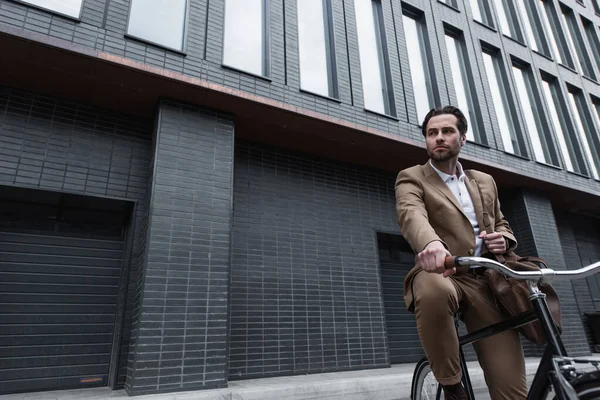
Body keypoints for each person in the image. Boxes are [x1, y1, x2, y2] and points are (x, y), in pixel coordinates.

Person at [395, 106, 527, 400]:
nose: (438, 138)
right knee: (432, 288)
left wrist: (503, 239)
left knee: (513, 392)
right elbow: (411, 214)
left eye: (447, 131)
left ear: (462, 137)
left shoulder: (483, 181)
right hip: (442, 272)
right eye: (432, 133)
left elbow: (502, 222)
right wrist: (431, 244)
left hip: (488, 282)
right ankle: (452, 387)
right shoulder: (412, 177)